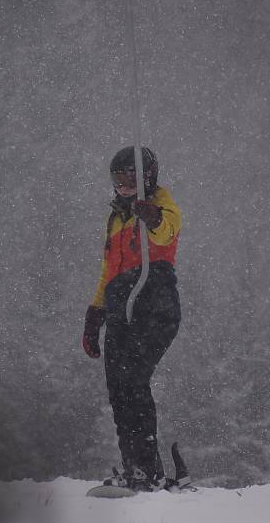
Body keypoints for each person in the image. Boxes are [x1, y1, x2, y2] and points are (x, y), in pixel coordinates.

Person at [81, 146, 182, 492]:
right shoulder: (115, 218)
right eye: (117, 180)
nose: (122, 186)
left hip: (153, 303)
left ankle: (146, 470)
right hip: (120, 308)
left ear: (147, 178)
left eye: (129, 179)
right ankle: (134, 467)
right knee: (119, 389)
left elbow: (167, 231)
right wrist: (95, 313)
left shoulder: (163, 204)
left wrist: (151, 216)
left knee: (134, 381)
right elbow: (108, 270)